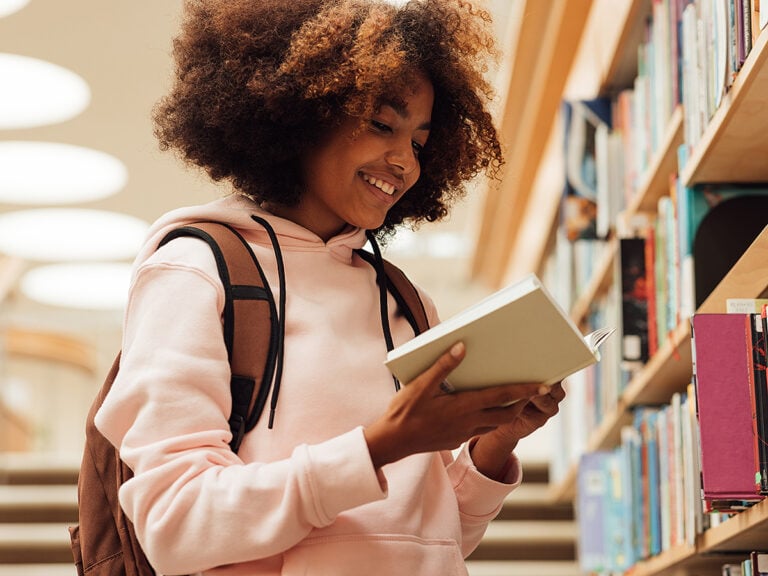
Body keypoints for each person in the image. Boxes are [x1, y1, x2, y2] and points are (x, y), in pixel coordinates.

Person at [95, 1, 567, 574]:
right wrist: (378, 447)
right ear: (303, 113)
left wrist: (495, 444)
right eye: (381, 125)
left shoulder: (405, 300)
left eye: (419, 141)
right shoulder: (196, 270)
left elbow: (433, 539)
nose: (404, 163)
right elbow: (176, 522)